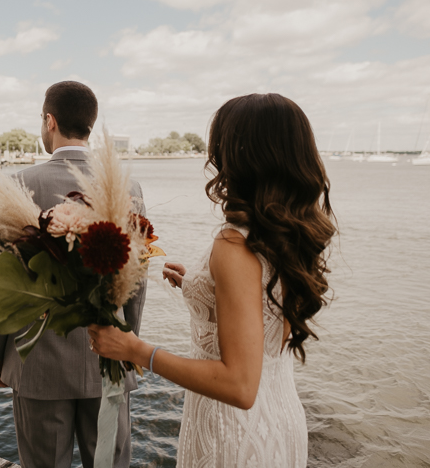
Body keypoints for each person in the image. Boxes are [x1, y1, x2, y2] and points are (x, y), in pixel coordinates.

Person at [88, 93, 336, 467]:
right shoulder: (286, 232)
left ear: (241, 155)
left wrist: (137, 350)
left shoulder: (234, 244)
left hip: (234, 434)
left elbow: (238, 385)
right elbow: (264, 317)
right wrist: (203, 287)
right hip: (280, 418)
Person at [0, 81, 147, 468]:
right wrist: (130, 342)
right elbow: (135, 279)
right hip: (108, 358)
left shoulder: (20, 184)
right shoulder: (128, 185)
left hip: (37, 364)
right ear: (89, 125)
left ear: (50, 120)